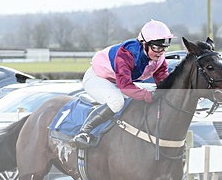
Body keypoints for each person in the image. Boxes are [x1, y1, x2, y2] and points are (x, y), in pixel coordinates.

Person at [72, 19, 173, 148]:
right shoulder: (127, 54)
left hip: (117, 80)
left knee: (144, 97)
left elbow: (164, 83)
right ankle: (83, 132)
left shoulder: (159, 58)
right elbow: (125, 86)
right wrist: (148, 95)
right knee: (117, 102)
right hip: (97, 77)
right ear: (144, 43)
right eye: (156, 47)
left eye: (164, 48)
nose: (160, 52)